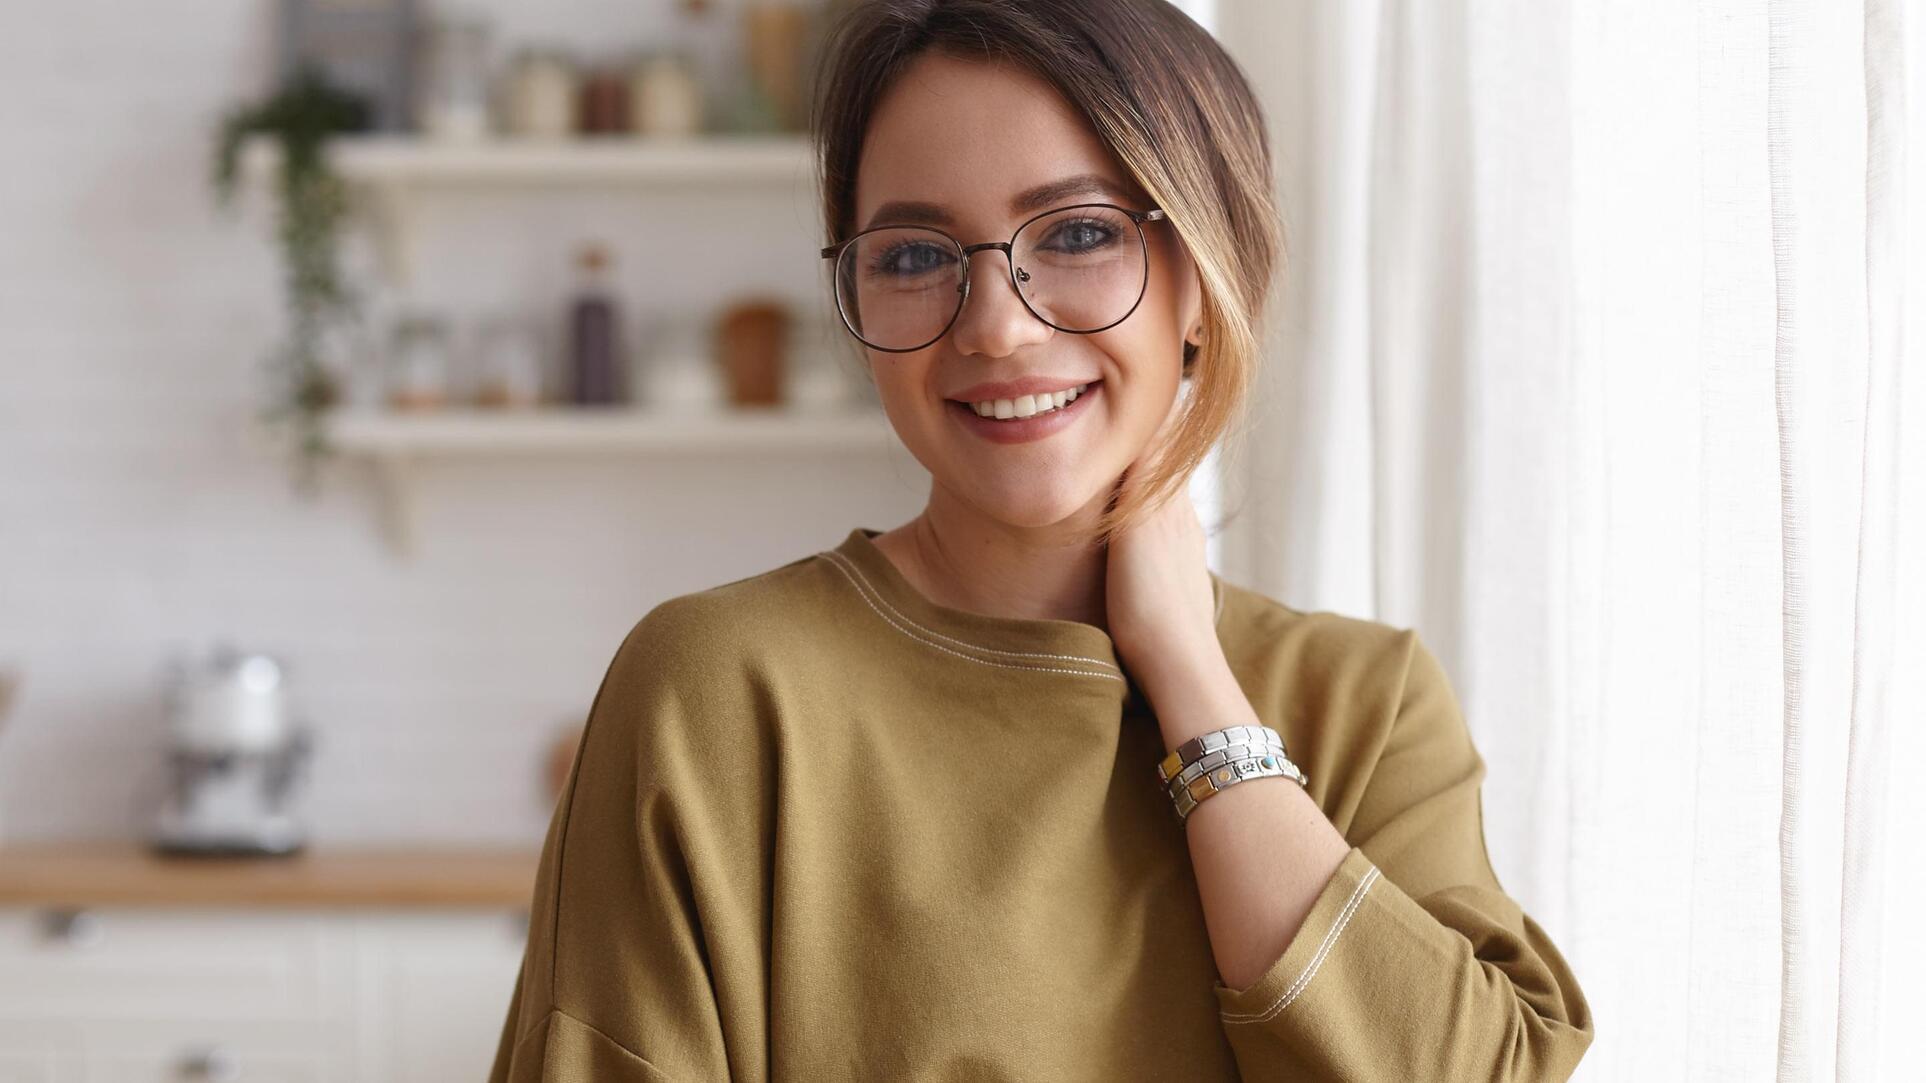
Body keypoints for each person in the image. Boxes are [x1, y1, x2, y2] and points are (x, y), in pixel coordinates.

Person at [486, 1, 1595, 1079]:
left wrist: (1192, 680)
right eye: (915, 255)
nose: (996, 326)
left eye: (1077, 234)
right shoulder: (718, 691)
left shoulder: (1365, 701)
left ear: (1202, 280)